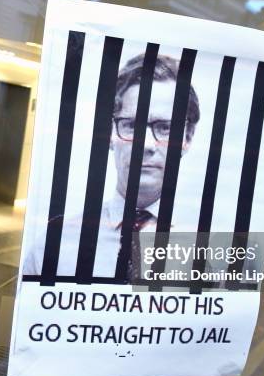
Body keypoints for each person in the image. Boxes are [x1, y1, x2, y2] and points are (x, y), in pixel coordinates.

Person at [23, 53, 200, 278]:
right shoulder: (54, 245)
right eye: (131, 125)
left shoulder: (214, 250)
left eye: (166, 127)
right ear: (109, 134)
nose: (145, 145)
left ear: (188, 138)